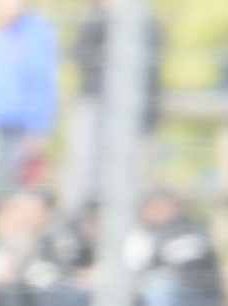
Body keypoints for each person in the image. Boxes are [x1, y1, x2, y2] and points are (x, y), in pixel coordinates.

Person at [59, 0, 164, 216]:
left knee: (127, 177)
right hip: (96, 104)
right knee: (86, 173)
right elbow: (79, 53)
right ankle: (81, 225)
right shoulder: (95, 17)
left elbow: (151, 72)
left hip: (131, 112)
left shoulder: (142, 19)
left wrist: (149, 118)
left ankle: (121, 225)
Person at [0, 0, 58, 194]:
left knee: (18, 188)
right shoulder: (0, 34)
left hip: (22, 128)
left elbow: (42, 82)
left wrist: (38, 129)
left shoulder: (35, 33)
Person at [126, 188, 224, 306]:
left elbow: (179, 272)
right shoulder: (146, 232)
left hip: (198, 299)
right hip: (161, 296)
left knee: (161, 289)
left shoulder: (189, 230)